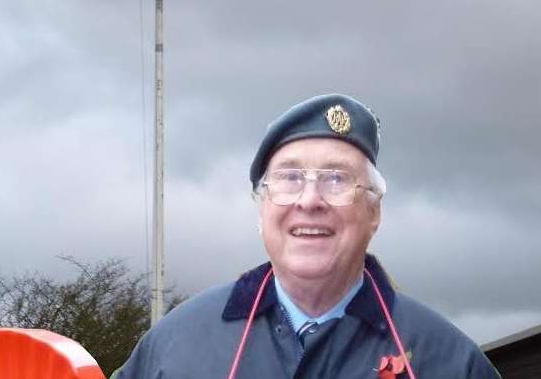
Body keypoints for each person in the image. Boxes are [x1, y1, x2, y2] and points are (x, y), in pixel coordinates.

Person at [114, 94, 500, 378]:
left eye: (337, 179)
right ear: (262, 208)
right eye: (289, 178)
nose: (310, 200)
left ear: (374, 212)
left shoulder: (451, 362)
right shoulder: (173, 345)